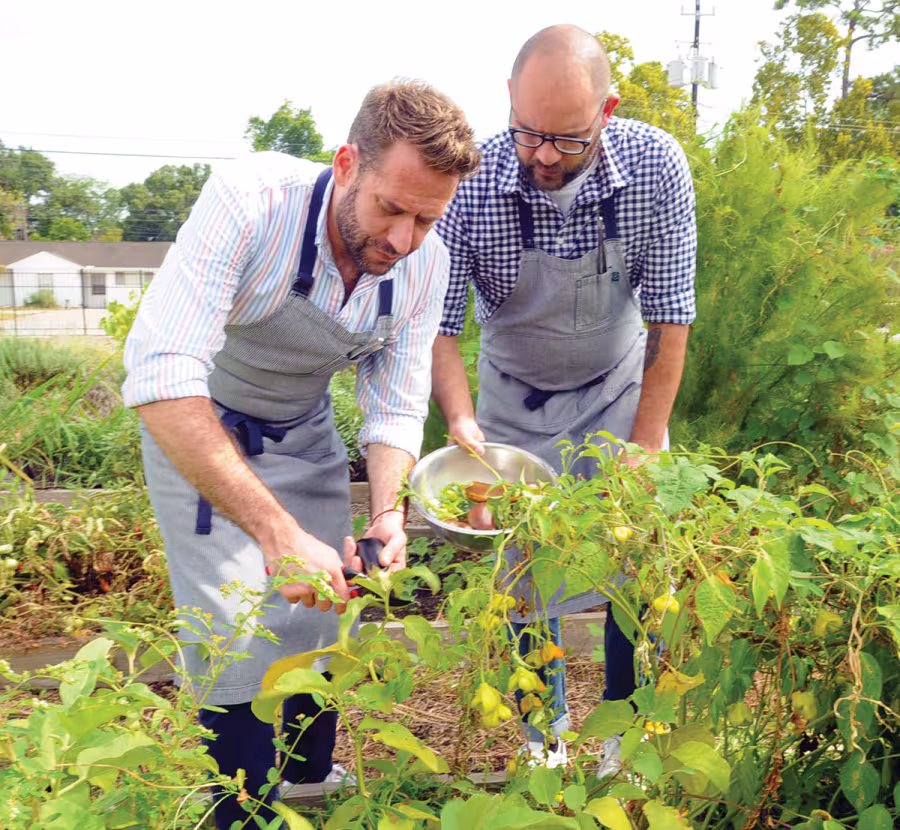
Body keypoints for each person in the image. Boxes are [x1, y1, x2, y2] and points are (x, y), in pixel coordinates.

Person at [123, 79, 480, 828]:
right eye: (391, 208)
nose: (404, 240)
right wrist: (277, 533)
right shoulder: (250, 203)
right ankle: (242, 806)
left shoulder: (427, 262)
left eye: (426, 218)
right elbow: (163, 378)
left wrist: (388, 514)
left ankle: (310, 782)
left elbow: (395, 402)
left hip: (304, 426)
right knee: (233, 626)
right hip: (203, 427)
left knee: (324, 607)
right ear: (347, 165)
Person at [432, 24, 696, 773]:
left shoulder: (656, 166)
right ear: (509, 100)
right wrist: (461, 422)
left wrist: (643, 448)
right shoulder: (472, 183)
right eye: (529, 132)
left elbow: (671, 318)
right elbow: (439, 328)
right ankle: (542, 743)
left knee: (637, 568)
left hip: (619, 391)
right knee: (523, 579)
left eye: (568, 139)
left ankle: (624, 738)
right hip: (511, 404)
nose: (544, 155)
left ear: (607, 111)